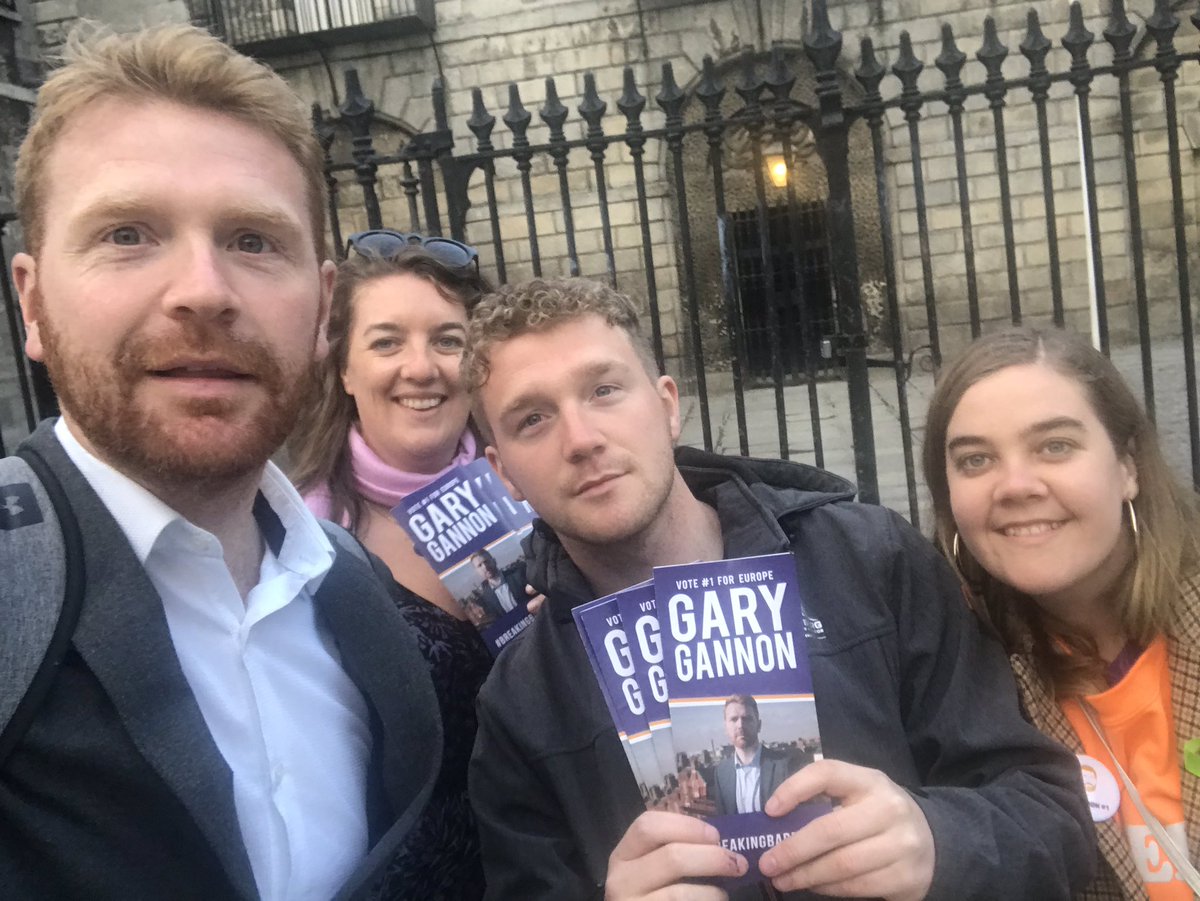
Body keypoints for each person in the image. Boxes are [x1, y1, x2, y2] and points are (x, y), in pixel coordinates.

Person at [463, 277, 1095, 901]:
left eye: (604, 390)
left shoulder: (869, 560)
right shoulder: (521, 702)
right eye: (533, 419)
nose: (581, 439)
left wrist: (939, 843)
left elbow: (1051, 816)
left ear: (666, 404)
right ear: (503, 474)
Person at [0, 24, 443, 899]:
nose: (203, 289)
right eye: (128, 233)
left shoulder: (356, 592)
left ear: (322, 311)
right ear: (34, 301)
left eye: (252, 240)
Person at [922, 326, 1200, 900]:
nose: (1016, 485)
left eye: (1055, 446)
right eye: (975, 460)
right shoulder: (955, 684)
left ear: (1128, 466)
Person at [288, 233, 498, 899]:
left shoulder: (542, 487)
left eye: (447, 339)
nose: (421, 366)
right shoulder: (298, 540)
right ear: (345, 370)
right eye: (386, 342)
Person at [710, 695, 792, 816]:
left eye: (747, 718)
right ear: (726, 728)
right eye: (733, 719)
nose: (740, 725)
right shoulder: (721, 773)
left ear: (759, 725)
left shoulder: (784, 765)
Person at [470, 549, 526, 617]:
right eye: (479, 565)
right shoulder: (486, 597)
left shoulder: (517, 575)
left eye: (486, 561)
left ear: (494, 561)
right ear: (477, 571)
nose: (485, 567)